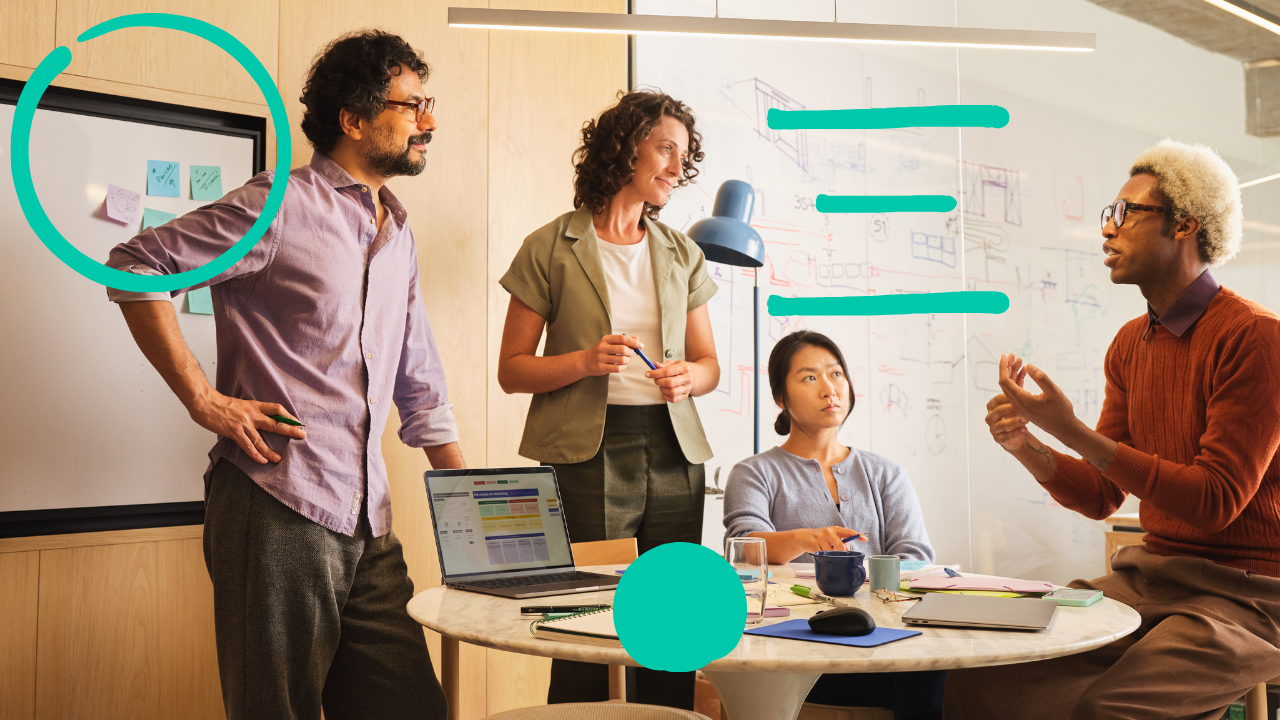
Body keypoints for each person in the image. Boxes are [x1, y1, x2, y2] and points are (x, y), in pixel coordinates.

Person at [105, 31, 458, 720]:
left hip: (368, 520)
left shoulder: (398, 232)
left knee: (413, 708)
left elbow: (420, 381)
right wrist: (204, 400)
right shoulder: (278, 205)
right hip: (277, 505)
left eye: (428, 104)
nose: (430, 122)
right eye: (412, 106)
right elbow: (134, 267)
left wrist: (472, 498)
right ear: (353, 120)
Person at [949, 139, 1280, 718]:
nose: (1109, 229)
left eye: (1128, 213)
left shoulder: (1256, 336)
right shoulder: (1131, 343)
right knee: (975, 677)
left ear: (1186, 225)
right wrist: (1028, 445)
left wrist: (1072, 431)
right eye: (1111, 214)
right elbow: (1104, 495)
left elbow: (1215, 501)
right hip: (1149, 579)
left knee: (1105, 709)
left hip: (1247, 597)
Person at [497, 89, 720, 709]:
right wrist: (584, 361)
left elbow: (709, 366)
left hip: (675, 451)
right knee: (587, 615)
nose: (678, 167)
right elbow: (512, 371)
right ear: (625, 150)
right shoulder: (549, 246)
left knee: (674, 618)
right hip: (584, 451)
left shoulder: (682, 252)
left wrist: (686, 378)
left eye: (683, 154)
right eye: (665, 149)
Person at [723, 330, 943, 719]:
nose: (829, 389)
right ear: (781, 398)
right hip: (795, 641)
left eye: (836, 374)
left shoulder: (886, 473)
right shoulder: (754, 472)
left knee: (932, 662)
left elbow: (917, 560)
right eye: (809, 378)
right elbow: (744, 549)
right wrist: (808, 539)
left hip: (881, 637)